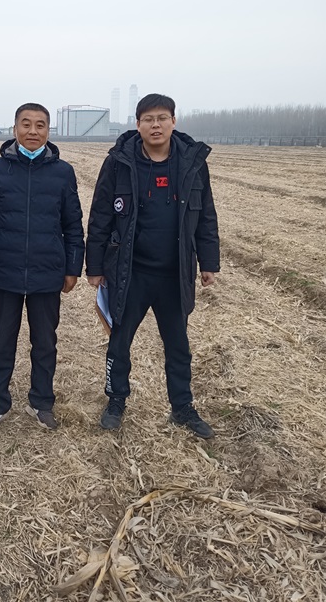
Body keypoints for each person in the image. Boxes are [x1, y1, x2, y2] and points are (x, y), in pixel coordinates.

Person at [86, 93, 220, 438]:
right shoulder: (119, 162)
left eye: (162, 118)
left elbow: (206, 215)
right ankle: (116, 400)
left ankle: (182, 407)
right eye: (148, 119)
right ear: (138, 124)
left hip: (175, 273)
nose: (155, 125)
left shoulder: (192, 163)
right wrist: (95, 266)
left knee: (178, 345)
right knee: (119, 341)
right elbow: (100, 216)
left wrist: (208, 262)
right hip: (130, 271)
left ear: (173, 121)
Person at [0, 103, 85, 433]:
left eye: (40, 125)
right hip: (5, 270)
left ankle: (42, 402)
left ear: (48, 131)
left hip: (47, 271)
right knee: (1, 341)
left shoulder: (62, 172)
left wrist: (72, 267)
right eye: (26, 124)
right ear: (15, 129)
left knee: (45, 342)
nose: (33, 131)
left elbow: (73, 224)